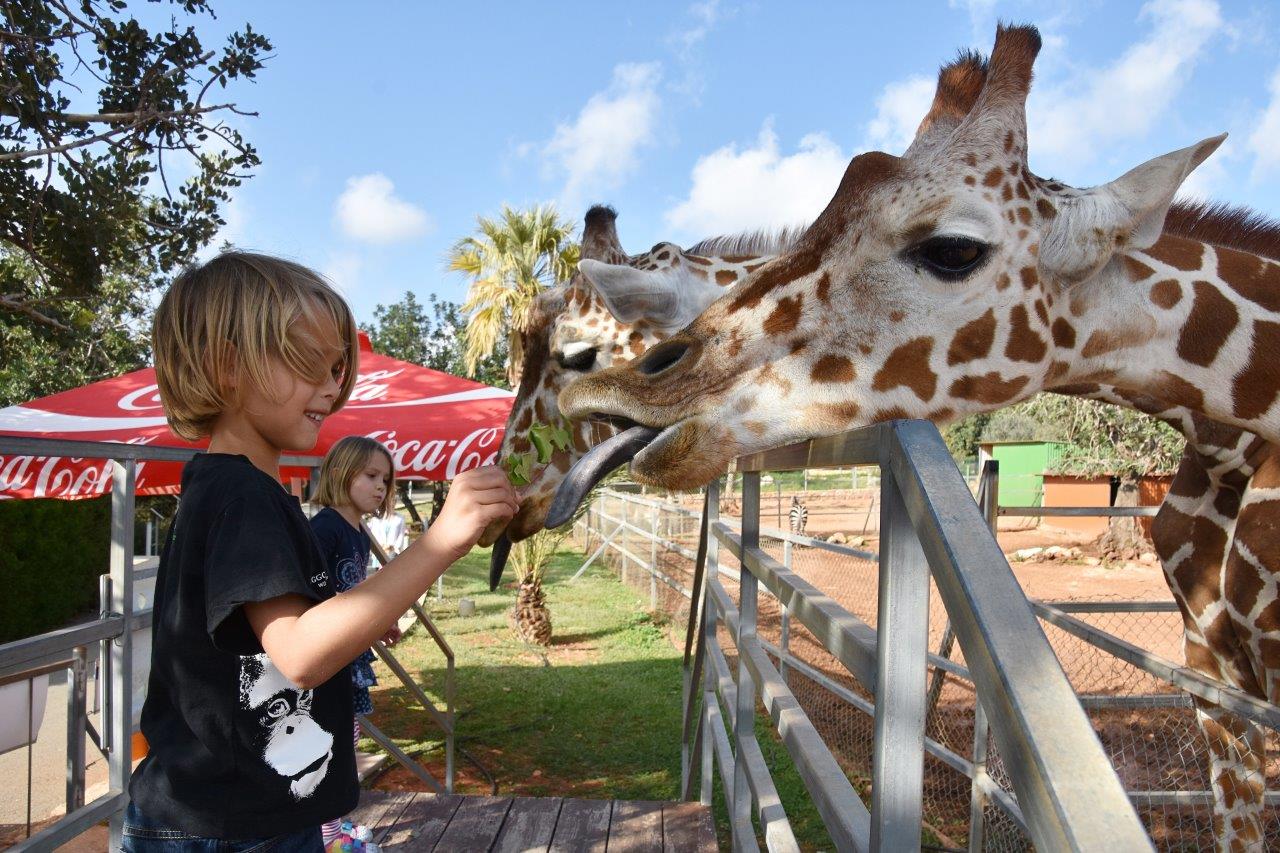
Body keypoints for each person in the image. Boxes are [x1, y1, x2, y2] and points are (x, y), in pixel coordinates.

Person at [126, 251, 518, 851]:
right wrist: (444, 537)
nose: (333, 385)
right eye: (310, 364)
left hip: (236, 815)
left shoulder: (231, 487)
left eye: (338, 368)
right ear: (228, 366)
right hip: (229, 830)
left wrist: (365, 617)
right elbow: (301, 654)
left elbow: (288, 630)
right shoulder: (243, 495)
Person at [308, 436, 401, 845]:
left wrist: (378, 622)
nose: (380, 486)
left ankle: (332, 825)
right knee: (328, 749)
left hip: (350, 655)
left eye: (385, 478)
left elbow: (356, 591)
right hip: (327, 656)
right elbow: (312, 595)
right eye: (371, 476)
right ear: (342, 473)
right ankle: (326, 836)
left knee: (347, 741)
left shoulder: (358, 531)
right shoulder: (324, 528)